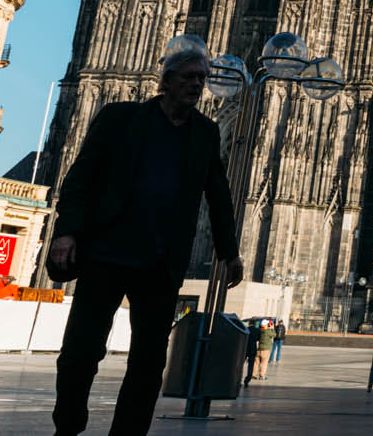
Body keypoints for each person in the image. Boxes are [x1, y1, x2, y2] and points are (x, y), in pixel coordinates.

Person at [48, 46, 243, 436]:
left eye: (201, 79)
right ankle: (68, 427)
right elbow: (81, 175)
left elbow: (218, 193)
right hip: (106, 252)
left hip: (159, 262)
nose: (195, 85)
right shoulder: (121, 118)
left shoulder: (204, 133)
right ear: (166, 81)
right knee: (80, 354)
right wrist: (67, 231)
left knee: (149, 363)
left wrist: (228, 251)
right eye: (188, 77)